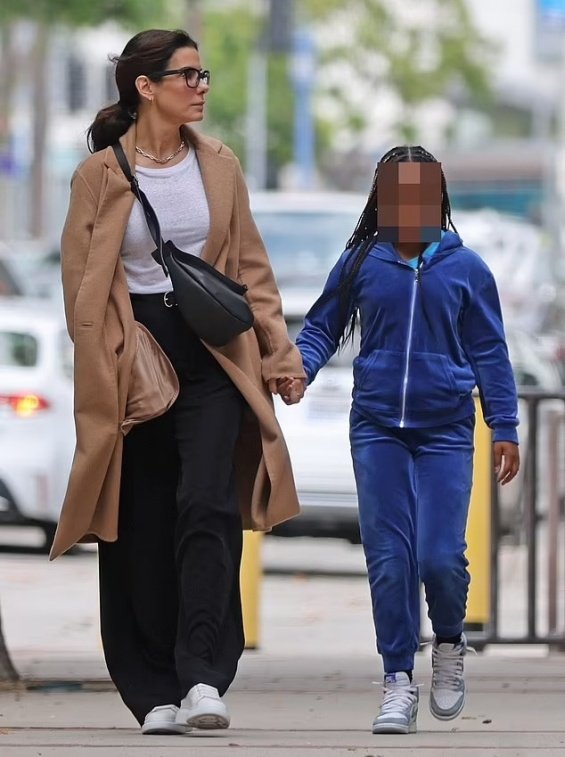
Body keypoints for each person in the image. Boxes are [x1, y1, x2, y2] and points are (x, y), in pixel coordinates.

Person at [50, 28, 306, 736]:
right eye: (188, 75)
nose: (201, 86)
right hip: (133, 357)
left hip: (214, 352)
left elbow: (250, 269)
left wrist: (279, 355)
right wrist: (101, 362)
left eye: (204, 74)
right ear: (145, 86)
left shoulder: (218, 165)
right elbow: (80, 290)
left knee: (208, 504)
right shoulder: (98, 175)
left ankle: (201, 675)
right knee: (139, 519)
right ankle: (151, 686)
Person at [284, 145, 520, 735]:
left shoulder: (467, 269)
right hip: (377, 426)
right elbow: (321, 328)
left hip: (444, 430)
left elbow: (490, 350)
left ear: (438, 197)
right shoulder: (361, 260)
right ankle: (396, 682)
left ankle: (448, 644)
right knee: (390, 560)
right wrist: (301, 371)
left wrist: (505, 426)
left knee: (440, 557)